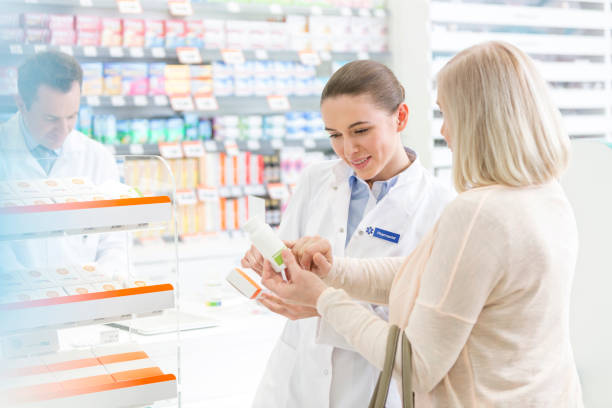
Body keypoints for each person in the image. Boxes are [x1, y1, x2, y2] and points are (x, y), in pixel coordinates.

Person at [260, 41, 584, 407]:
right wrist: (334, 271)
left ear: (476, 118)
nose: (444, 131)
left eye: (447, 114)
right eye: (335, 135)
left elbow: (419, 363)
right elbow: (428, 276)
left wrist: (324, 299)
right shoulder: (547, 196)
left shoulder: (477, 213)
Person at [242, 60, 454, 408]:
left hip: (370, 383)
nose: (348, 150)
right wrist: (267, 259)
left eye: (360, 131)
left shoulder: (440, 205)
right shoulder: (316, 179)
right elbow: (288, 265)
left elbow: (419, 327)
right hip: (294, 381)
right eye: (335, 135)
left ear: (400, 117)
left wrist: (322, 306)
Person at [0, 51, 125, 271]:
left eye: (71, 116)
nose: (63, 130)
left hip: (85, 299)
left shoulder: (97, 157)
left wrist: (106, 275)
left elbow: (115, 241)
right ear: (21, 104)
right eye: (50, 119)